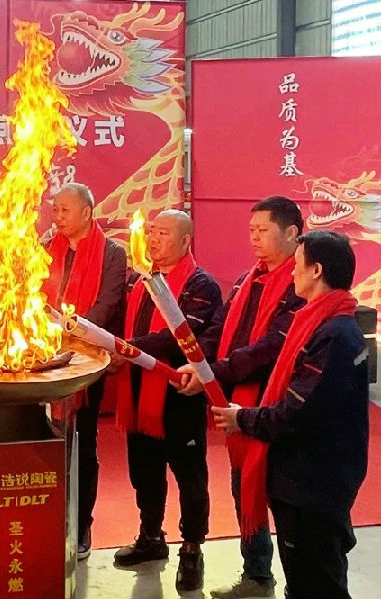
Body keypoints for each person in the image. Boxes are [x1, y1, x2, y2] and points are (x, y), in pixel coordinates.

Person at [213, 231, 368, 599]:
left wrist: (243, 419)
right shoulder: (319, 322)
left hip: (311, 483)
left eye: (298, 265)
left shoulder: (333, 334)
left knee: (316, 582)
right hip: (309, 477)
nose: (292, 272)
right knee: (308, 578)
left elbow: (299, 412)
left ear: (316, 270)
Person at [177, 196, 305, 598]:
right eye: (251, 230)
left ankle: (302, 583)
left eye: (263, 230)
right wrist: (199, 366)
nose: (254, 238)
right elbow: (218, 328)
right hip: (240, 407)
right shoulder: (247, 280)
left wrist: (213, 372)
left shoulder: (300, 285)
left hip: (279, 405)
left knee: (285, 501)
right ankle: (257, 575)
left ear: (292, 233)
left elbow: (271, 348)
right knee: (243, 488)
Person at [110, 209, 221, 592]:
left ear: (185, 240)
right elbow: (125, 324)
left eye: (163, 233)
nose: (153, 239)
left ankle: (192, 548)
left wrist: (123, 348)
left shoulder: (201, 285)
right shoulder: (141, 279)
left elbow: (177, 337)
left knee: (190, 476)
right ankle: (151, 537)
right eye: (152, 232)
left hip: (178, 395)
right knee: (144, 473)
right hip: (138, 393)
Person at [42, 183, 127, 559]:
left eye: (65, 210)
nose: (58, 217)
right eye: (55, 210)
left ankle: (81, 523)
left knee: (83, 444)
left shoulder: (112, 253)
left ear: (87, 213)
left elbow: (108, 304)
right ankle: (48, 517)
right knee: (47, 442)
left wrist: (71, 333)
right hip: (44, 357)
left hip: (86, 360)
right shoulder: (48, 247)